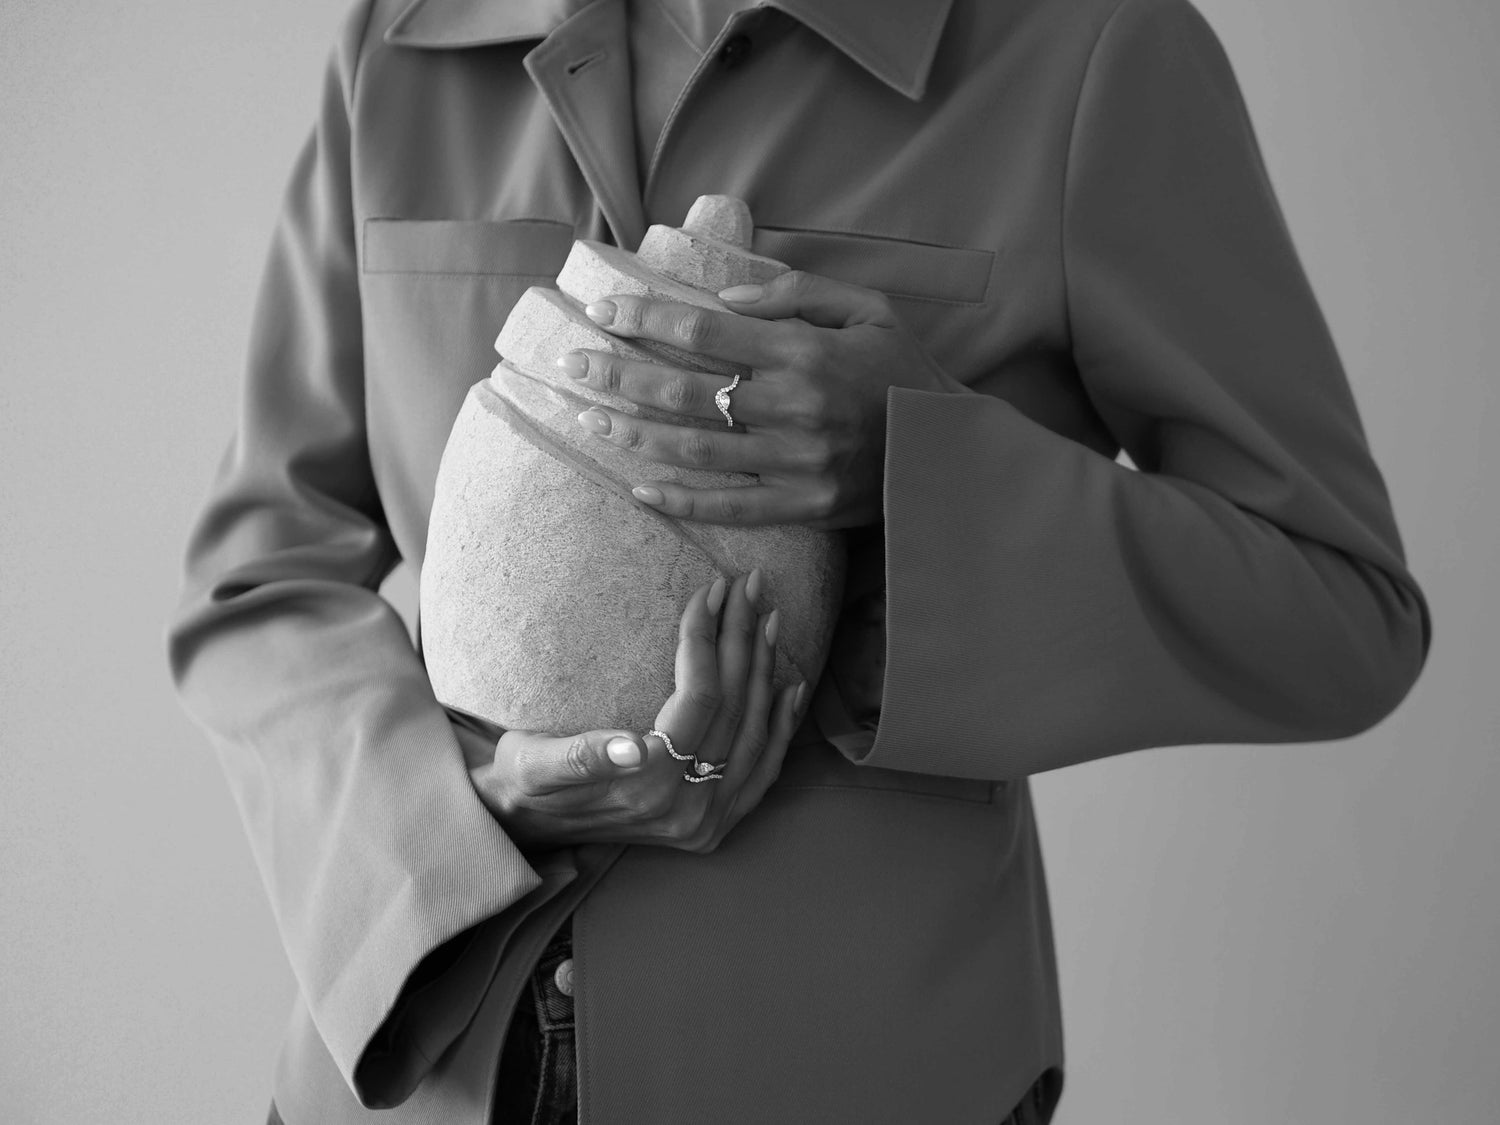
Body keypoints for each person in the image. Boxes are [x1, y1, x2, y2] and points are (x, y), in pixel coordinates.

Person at [167, 0, 1432, 1121]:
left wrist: (912, 460)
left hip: (861, 1064)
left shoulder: (1091, 49)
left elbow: (1338, 608)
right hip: (410, 1073)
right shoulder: (396, 45)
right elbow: (263, 576)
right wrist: (462, 822)